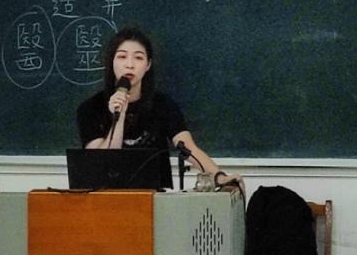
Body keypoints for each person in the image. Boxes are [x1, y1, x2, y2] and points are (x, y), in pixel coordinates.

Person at [77, 27, 242, 191]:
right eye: (122, 56)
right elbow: (100, 164)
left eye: (138, 58)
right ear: (111, 62)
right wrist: (119, 118)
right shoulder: (90, 108)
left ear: (148, 65)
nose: (130, 65)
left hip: (154, 197)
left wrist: (219, 176)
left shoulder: (163, 105)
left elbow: (188, 148)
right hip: (106, 197)